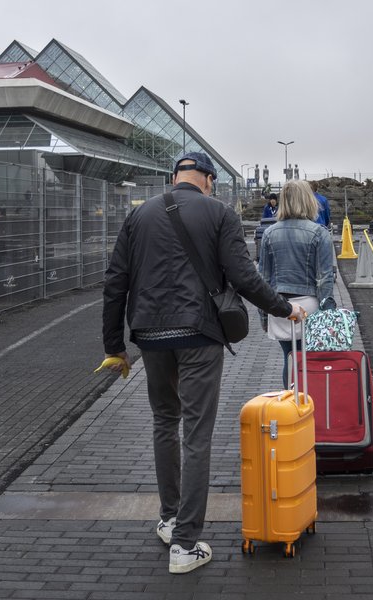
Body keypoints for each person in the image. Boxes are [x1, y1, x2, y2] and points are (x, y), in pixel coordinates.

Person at [102, 151, 305, 574]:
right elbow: (244, 277)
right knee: (196, 433)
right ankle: (185, 544)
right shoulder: (218, 213)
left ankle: (169, 518)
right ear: (209, 180)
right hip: (198, 334)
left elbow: (116, 280)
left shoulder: (138, 216)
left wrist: (114, 347)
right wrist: (284, 308)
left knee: (164, 422)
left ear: (175, 177)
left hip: (149, 335)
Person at [258, 180, 336, 388]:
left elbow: (263, 278)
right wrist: (328, 312)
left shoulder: (269, 233)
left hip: (280, 306)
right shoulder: (319, 232)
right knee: (308, 360)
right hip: (309, 304)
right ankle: (310, 399)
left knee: (290, 358)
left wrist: (263, 314)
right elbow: (325, 277)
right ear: (308, 200)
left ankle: (291, 400)